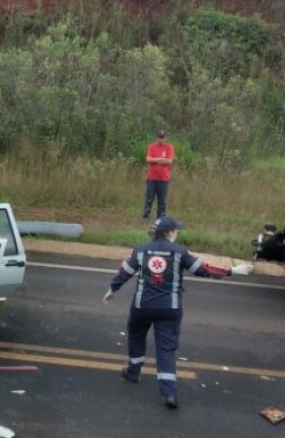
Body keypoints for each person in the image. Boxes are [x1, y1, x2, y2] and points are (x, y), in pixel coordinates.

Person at [103, 216, 253, 409]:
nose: (177, 233)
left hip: (142, 306)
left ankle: (133, 372)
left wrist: (112, 290)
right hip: (170, 307)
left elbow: (123, 272)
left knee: (136, 336)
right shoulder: (180, 252)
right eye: (176, 230)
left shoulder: (140, 250)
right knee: (166, 348)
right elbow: (203, 269)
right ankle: (169, 393)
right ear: (170, 233)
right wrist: (234, 271)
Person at [142, 129, 174, 220]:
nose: (161, 139)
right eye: (159, 137)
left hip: (164, 178)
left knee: (162, 200)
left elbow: (169, 161)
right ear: (157, 138)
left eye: (162, 138)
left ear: (165, 138)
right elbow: (148, 159)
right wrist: (161, 160)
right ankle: (146, 215)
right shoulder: (152, 147)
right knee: (149, 197)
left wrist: (155, 160)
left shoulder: (169, 147)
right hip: (152, 177)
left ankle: (161, 217)